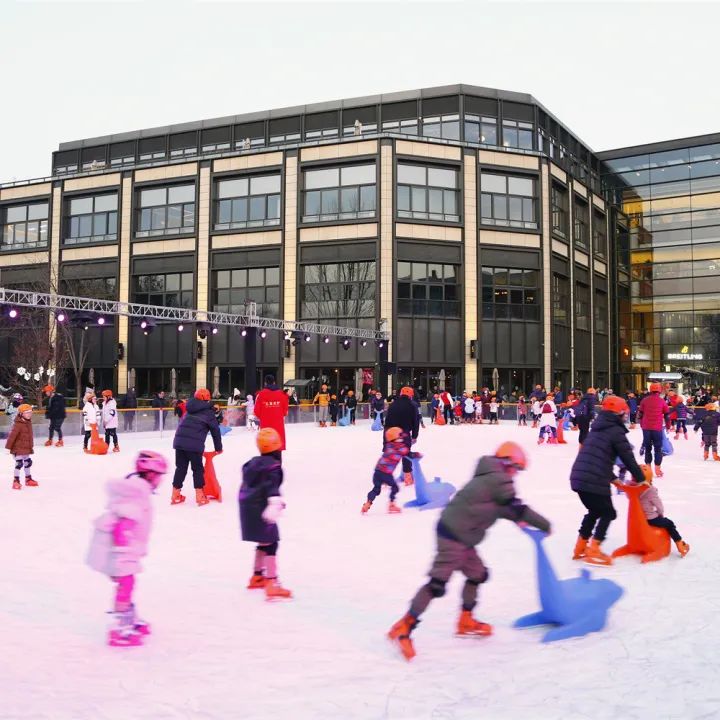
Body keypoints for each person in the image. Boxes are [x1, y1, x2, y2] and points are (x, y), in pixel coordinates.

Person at [387, 442, 551, 661]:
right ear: (507, 462)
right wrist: (544, 525)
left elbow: (501, 507)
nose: (515, 474)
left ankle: (465, 620)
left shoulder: (489, 475)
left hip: (462, 536)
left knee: (477, 574)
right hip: (454, 536)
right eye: (516, 468)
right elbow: (516, 506)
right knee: (437, 583)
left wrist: (518, 521)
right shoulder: (498, 479)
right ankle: (404, 626)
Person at [86, 450, 168, 646]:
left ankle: (128, 619)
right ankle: (119, 628)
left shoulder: (136, 490)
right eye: (159, 476)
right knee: (126, 585)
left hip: (120, 548)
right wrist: (124, 556)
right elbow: (123, 527)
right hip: (118, 550)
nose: (161, 480)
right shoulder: (136, 495)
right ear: (150, 474)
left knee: (128, 585)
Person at [570, 396, 650, 566]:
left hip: (579, 476)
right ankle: (594, 549)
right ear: (620, 413)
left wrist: (614, 479)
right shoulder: (615, 431)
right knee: (608, 513)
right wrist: (642, 478)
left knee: (594, 511)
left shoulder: (597, 428)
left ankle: (580, 547)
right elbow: (627, 458)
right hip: (593, 479)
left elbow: (597, 459)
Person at [240, 427, 292, 600]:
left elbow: (252, 486)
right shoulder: (274, 467)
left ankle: (256, 576)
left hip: (248, 509)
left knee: (263, 542)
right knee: (272, 543)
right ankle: (271, 581)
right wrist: (274, 502)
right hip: (263, 510)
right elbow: (271, 487)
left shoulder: (252, 464)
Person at [171, 389, 222, 506]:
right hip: (194, 445)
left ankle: (175, 495)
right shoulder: (208, 413)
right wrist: (218, 448)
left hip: (179, 441)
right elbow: (215, 431)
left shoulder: (189, 409)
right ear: (207, 398)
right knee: (197, 469)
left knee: (181, 468)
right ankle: (200, 496)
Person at [622, 475, 690, 557]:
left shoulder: (630, 488)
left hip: (637, 519)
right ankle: (680, 544)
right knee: (669, 523)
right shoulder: (650, 490)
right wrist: (660, 514)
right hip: (650, 519)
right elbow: (659, 505)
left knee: (665, 522)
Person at [362, 427, 422, 514]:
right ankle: (391, 504)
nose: (402, 438)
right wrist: (418, 454)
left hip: (377, 471)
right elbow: (410, 454)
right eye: (400, 436)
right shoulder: (400, 448)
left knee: (376, 489)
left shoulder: (389, 445)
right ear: (396, 438)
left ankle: (368, 503)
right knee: (395, 488)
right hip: (386, 473)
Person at [384, 387, 420, 485]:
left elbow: (387, 422)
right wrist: (415, 436)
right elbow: (416, 422)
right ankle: (408, 477)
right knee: (406, 454)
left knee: (390, 455)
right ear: (411, 395)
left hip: (390, 433)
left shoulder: (393, 405)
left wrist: (385, 441)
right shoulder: (413, 405)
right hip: (404, 433)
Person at [637, 383, 670, 477]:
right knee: (658, 449)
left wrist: (642, 424)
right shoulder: (662, 401)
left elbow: (640, 414)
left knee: (648, 449)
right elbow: (667, 415)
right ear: (659, 391)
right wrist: (668, 426)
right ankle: (657, 468)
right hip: (657, 428)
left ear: (650, 390)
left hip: (646, 428)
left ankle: (648, 468)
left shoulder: (644, 400)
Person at [254, 375, 289, 454]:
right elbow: (285, 412)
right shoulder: (282, 394)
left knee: (266, 448)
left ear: (265, 383)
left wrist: (264, 416)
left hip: (265, 428)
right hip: (278, 427)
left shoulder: (261, 394)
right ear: (274, 382)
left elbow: (256, 412)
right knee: (277, 449)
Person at [6, 403, 37, 489]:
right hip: (17, 448)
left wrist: (31, 446)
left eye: (30, 413)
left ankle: (28, 479)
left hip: (26, 448)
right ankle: (16, 481)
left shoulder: (28, 423)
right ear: (21, 414)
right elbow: (12, 436)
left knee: (27, 462)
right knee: (19, 464)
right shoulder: (18, 424)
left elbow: (30, 436)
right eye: (27, 413)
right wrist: (8, 448)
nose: (29, 414)